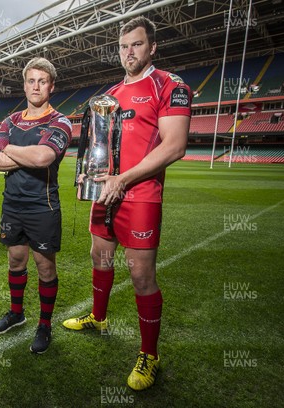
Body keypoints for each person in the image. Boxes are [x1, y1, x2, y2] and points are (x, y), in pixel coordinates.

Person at [62, 16, 191, 390]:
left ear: (151, 47)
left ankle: (150, 355)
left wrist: (123, 180)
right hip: (106, 193)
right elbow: (101, 148)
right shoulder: (111, 94)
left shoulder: (169, 85)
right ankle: (98, 318)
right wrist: (90, 172)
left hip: (140, 195)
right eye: (123, 46)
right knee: (99, 256)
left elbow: (175, 145)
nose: (128, 52)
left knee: (140, 275)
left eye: (136, 45)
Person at [0, 57, 72, 354]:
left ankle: (44, 324)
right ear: (24, 85)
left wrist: (6, 147)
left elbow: (43, 158)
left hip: (43, 207)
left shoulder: (60, 121)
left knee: (44, 267)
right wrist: (23, 152)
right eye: (31, 80)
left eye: (42, 81)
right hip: (12, 205)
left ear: (51, 86)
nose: (36, 86)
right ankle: (17, 313)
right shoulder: (10, 120)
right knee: (16, 261)